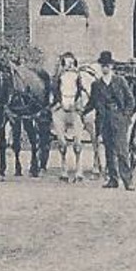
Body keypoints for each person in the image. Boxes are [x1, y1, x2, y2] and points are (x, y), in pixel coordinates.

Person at [88, 50, 136, 191]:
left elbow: (130, 100)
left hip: (118, 118)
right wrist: (81, 111)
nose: (105, 68)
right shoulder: (96, 84)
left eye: (107, 65)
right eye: (102, 65)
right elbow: (92, 103)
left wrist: (125, 116)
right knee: (109, 150)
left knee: (122, 151)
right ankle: (113, 179)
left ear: (111, 67)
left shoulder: (120, 81)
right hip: (104, 120)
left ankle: (128, 181)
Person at [49, 51, 91, 182]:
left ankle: (79, 169)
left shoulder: (77, 75)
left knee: (77, 142)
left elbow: (80, 89)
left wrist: (80, 104)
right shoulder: (58, 77)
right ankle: (64, 169)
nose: (68, 64)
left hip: (74, 101)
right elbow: (55, 89)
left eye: (71, 62)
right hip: (62, 100)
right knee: (62, 141)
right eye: (65, 62)